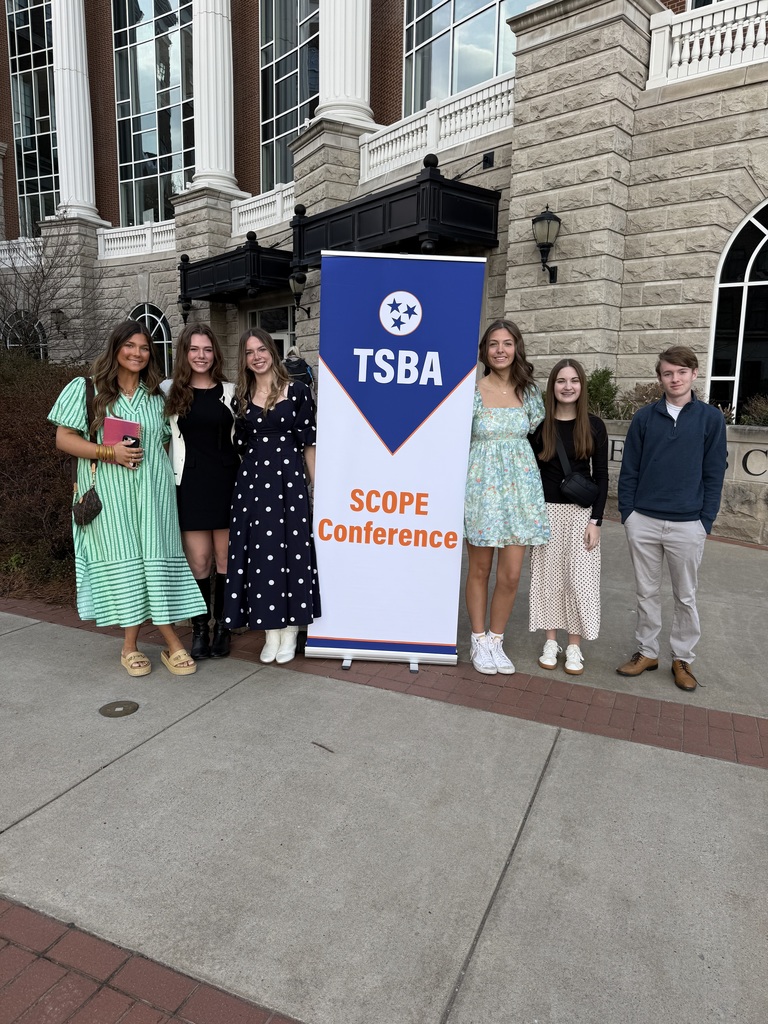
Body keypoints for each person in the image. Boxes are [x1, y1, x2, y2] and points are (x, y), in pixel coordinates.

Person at [49, 320, 205, 677]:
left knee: (154, 562)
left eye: (144, 347)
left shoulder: (157, 397)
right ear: (116, 348)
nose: (137, 353)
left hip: (154, 496)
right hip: (111, 495)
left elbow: (166, 441)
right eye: (130, 346)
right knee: (128, 562)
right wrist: (108, 452)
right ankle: (154, 644)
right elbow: (64, 439)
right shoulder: (87, 389)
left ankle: (139, 644)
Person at [616, 345, 727, 691]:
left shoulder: (711, 419)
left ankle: (682, 658)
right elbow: (629, 468)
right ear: (659, 377)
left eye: (681, 372)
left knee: (685, 596)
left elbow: (713, 474)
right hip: (644, 521)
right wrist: (628, 514)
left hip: (687, 523)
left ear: (694, 374)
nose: (675, 378)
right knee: (646, 592)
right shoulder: (645, 418)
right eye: (668, 373)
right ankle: (647, 652)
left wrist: (704, 520)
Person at [222, 328, 320, 664]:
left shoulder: (298, 391)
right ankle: (270, 630)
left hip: (289, 480)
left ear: (272, 352)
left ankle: (291, 629)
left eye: (262, 349)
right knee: (260, 554)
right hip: (252, 482)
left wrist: (314, 486)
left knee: (291, 553)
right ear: (244, 359)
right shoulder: (241, 396)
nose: (257, 356)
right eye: (249, 352)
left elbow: (308, 442)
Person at [463, 319, 550, 675]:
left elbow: (536, 431)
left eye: (507, 343)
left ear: (517, 348)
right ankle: (478, 639)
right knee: (480, 568)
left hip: (520, 488)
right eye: (493, 344)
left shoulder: (529, 392)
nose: (500, 350)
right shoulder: (470, 390)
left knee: (511, 574)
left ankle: (497, 640)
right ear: (484, 351)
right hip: (482, 486)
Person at [162, 324, 238, 660]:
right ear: (184, 353)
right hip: (190, 483)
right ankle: (198, 630)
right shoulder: (171, 393)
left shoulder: (231, 392)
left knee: (224, 560)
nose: (201, 356)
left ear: (215, 355)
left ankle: (222, 627)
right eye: (194, 350)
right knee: (200, 562)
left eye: (207, 350)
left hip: (227, 482)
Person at [528, 359, 608, 675]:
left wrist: (596, 521)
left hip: (581, 516)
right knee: (548, 578)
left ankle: (574, 645)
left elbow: (601, 476)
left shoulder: (594, 425)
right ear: (553, 387)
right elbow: (532, 472)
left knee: (580, 580)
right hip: (546, 512)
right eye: (561, 381)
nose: (567, 386)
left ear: (581, 386)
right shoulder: (540, 426)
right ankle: (551, 641)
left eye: (574, 380)